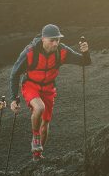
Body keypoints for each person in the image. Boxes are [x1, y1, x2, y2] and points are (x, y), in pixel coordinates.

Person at [9, 24, 90, 160]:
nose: (55, 43)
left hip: (48, 88)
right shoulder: (30, 52)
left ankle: (37, 155)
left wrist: (85, 52)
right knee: (40, 107)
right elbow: (15, 73)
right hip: (31, 85)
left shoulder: (62, 51)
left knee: (45, 125)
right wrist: (13, 98)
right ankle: (35, 137)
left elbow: (84, 62)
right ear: (43, 39)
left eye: (57, 40)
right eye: (52, 40)